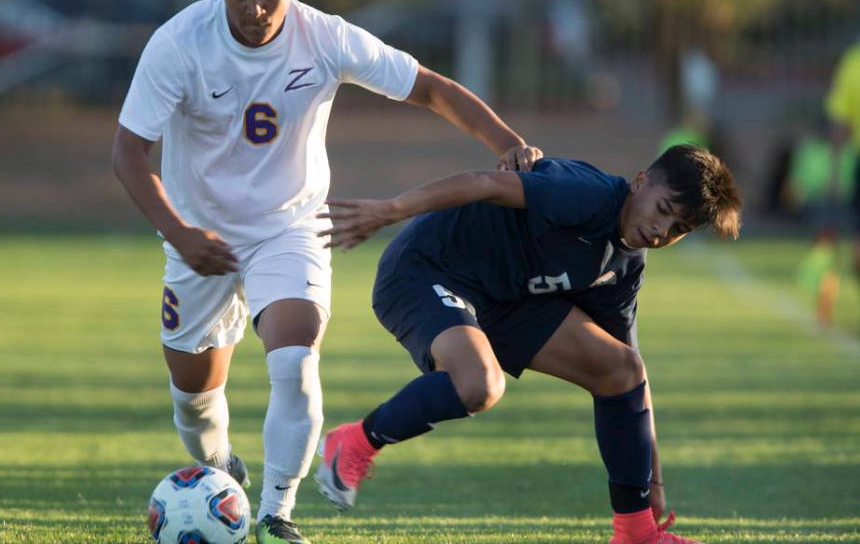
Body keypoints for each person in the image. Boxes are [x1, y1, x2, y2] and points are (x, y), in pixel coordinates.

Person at [111, 0, 541, 544]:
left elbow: (428, 88)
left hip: (291, 227)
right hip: (199, 236)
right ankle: (219, 465)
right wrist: (179, 234)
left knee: (295, 360)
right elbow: (127, 154)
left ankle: (276, 512)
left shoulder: (326, 38)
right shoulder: (179, 44)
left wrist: (508, 143)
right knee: (193, 399)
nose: (255, 9)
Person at [315, 144, 742, 544]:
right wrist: (389, 210)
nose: (661, 230)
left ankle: (636, 532)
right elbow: (483, 183)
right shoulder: (586, 195)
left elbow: (633, 380)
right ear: (640, 180)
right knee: (480, 385)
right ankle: (354, 441)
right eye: (664, 209)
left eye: (680, 228)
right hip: (427, 268)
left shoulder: (624, 265)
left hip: (506, 298)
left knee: (620, 368)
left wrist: (653, 484)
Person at [825, 42, 860, 303]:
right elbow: (839, 122)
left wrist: (835, 171)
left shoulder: (852, 62)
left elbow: (839, 124)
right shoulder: (852, 63)